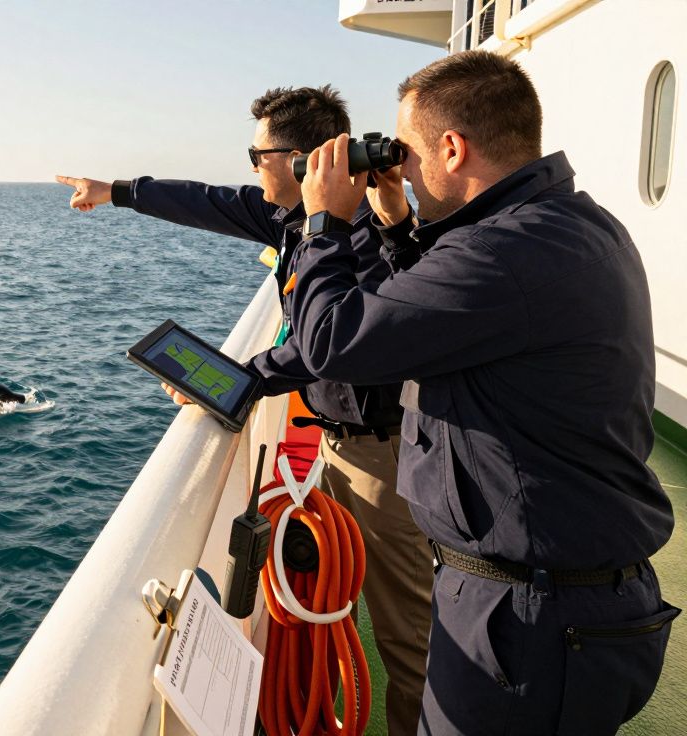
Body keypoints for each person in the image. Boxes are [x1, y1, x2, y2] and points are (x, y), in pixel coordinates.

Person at [292, 50, 677, 734]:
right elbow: (441, 317)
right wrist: (391, 222)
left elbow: (334, 343)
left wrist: (321, 222)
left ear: (452, 146)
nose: (402, 167)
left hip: (533, 620)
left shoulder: (502, 255)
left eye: (408, 152)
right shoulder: (565, 224)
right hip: (554, 602)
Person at [57, 85, 433, 735]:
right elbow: (202, 201)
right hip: (341, 441)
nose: (250, 168)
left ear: (297, 160)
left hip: (383, 448)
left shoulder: (366, 230)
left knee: (410, 638)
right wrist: (114, 190)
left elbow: (330, 346)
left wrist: (249, 377)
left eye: (256, 155)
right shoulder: (287, 216)